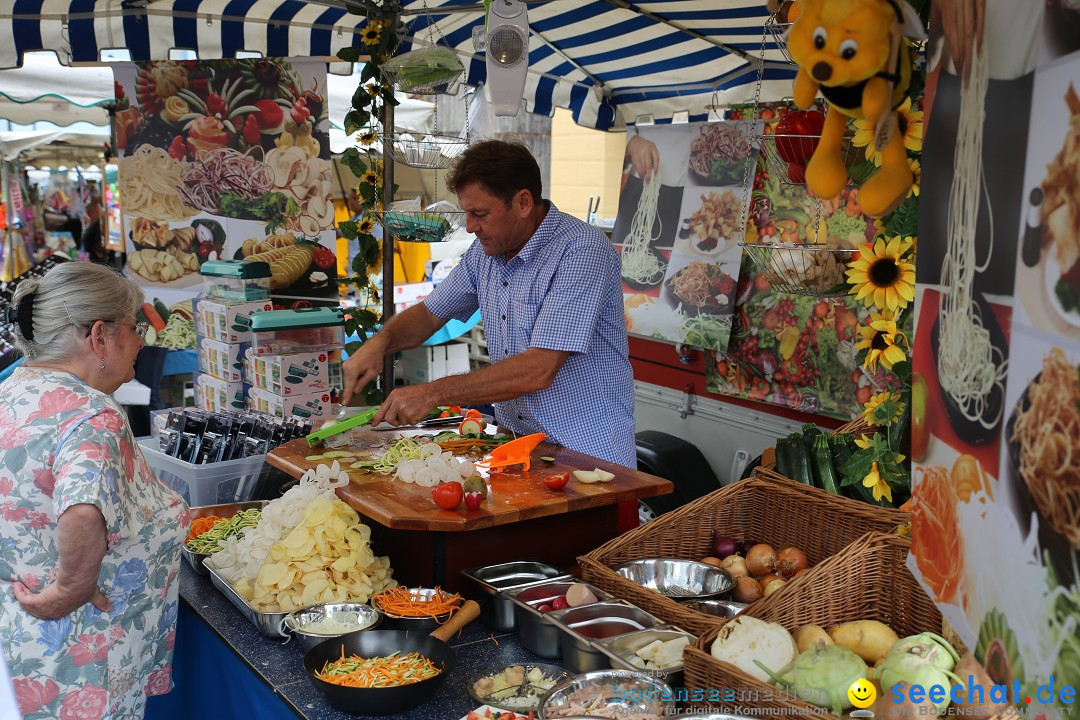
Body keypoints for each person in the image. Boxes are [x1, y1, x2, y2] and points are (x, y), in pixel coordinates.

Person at [341, 140, 636, 466]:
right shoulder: (486, 253)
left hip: (588, 457)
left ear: (523, 202)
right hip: (520, 448)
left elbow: (537, 370)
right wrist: (380, 344)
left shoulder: (581, 251)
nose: (470, 227)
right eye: (467, 213)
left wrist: (431, 393)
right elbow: (429, 314)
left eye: (480, 214)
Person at [0, 262, 189, 719]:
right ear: (100, 336)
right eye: (134, 326)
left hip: (25, 642)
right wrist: (71, 586)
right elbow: (83, 511)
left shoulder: (15, 389)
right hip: (82, 653)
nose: (142, 340)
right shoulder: (92, 415)